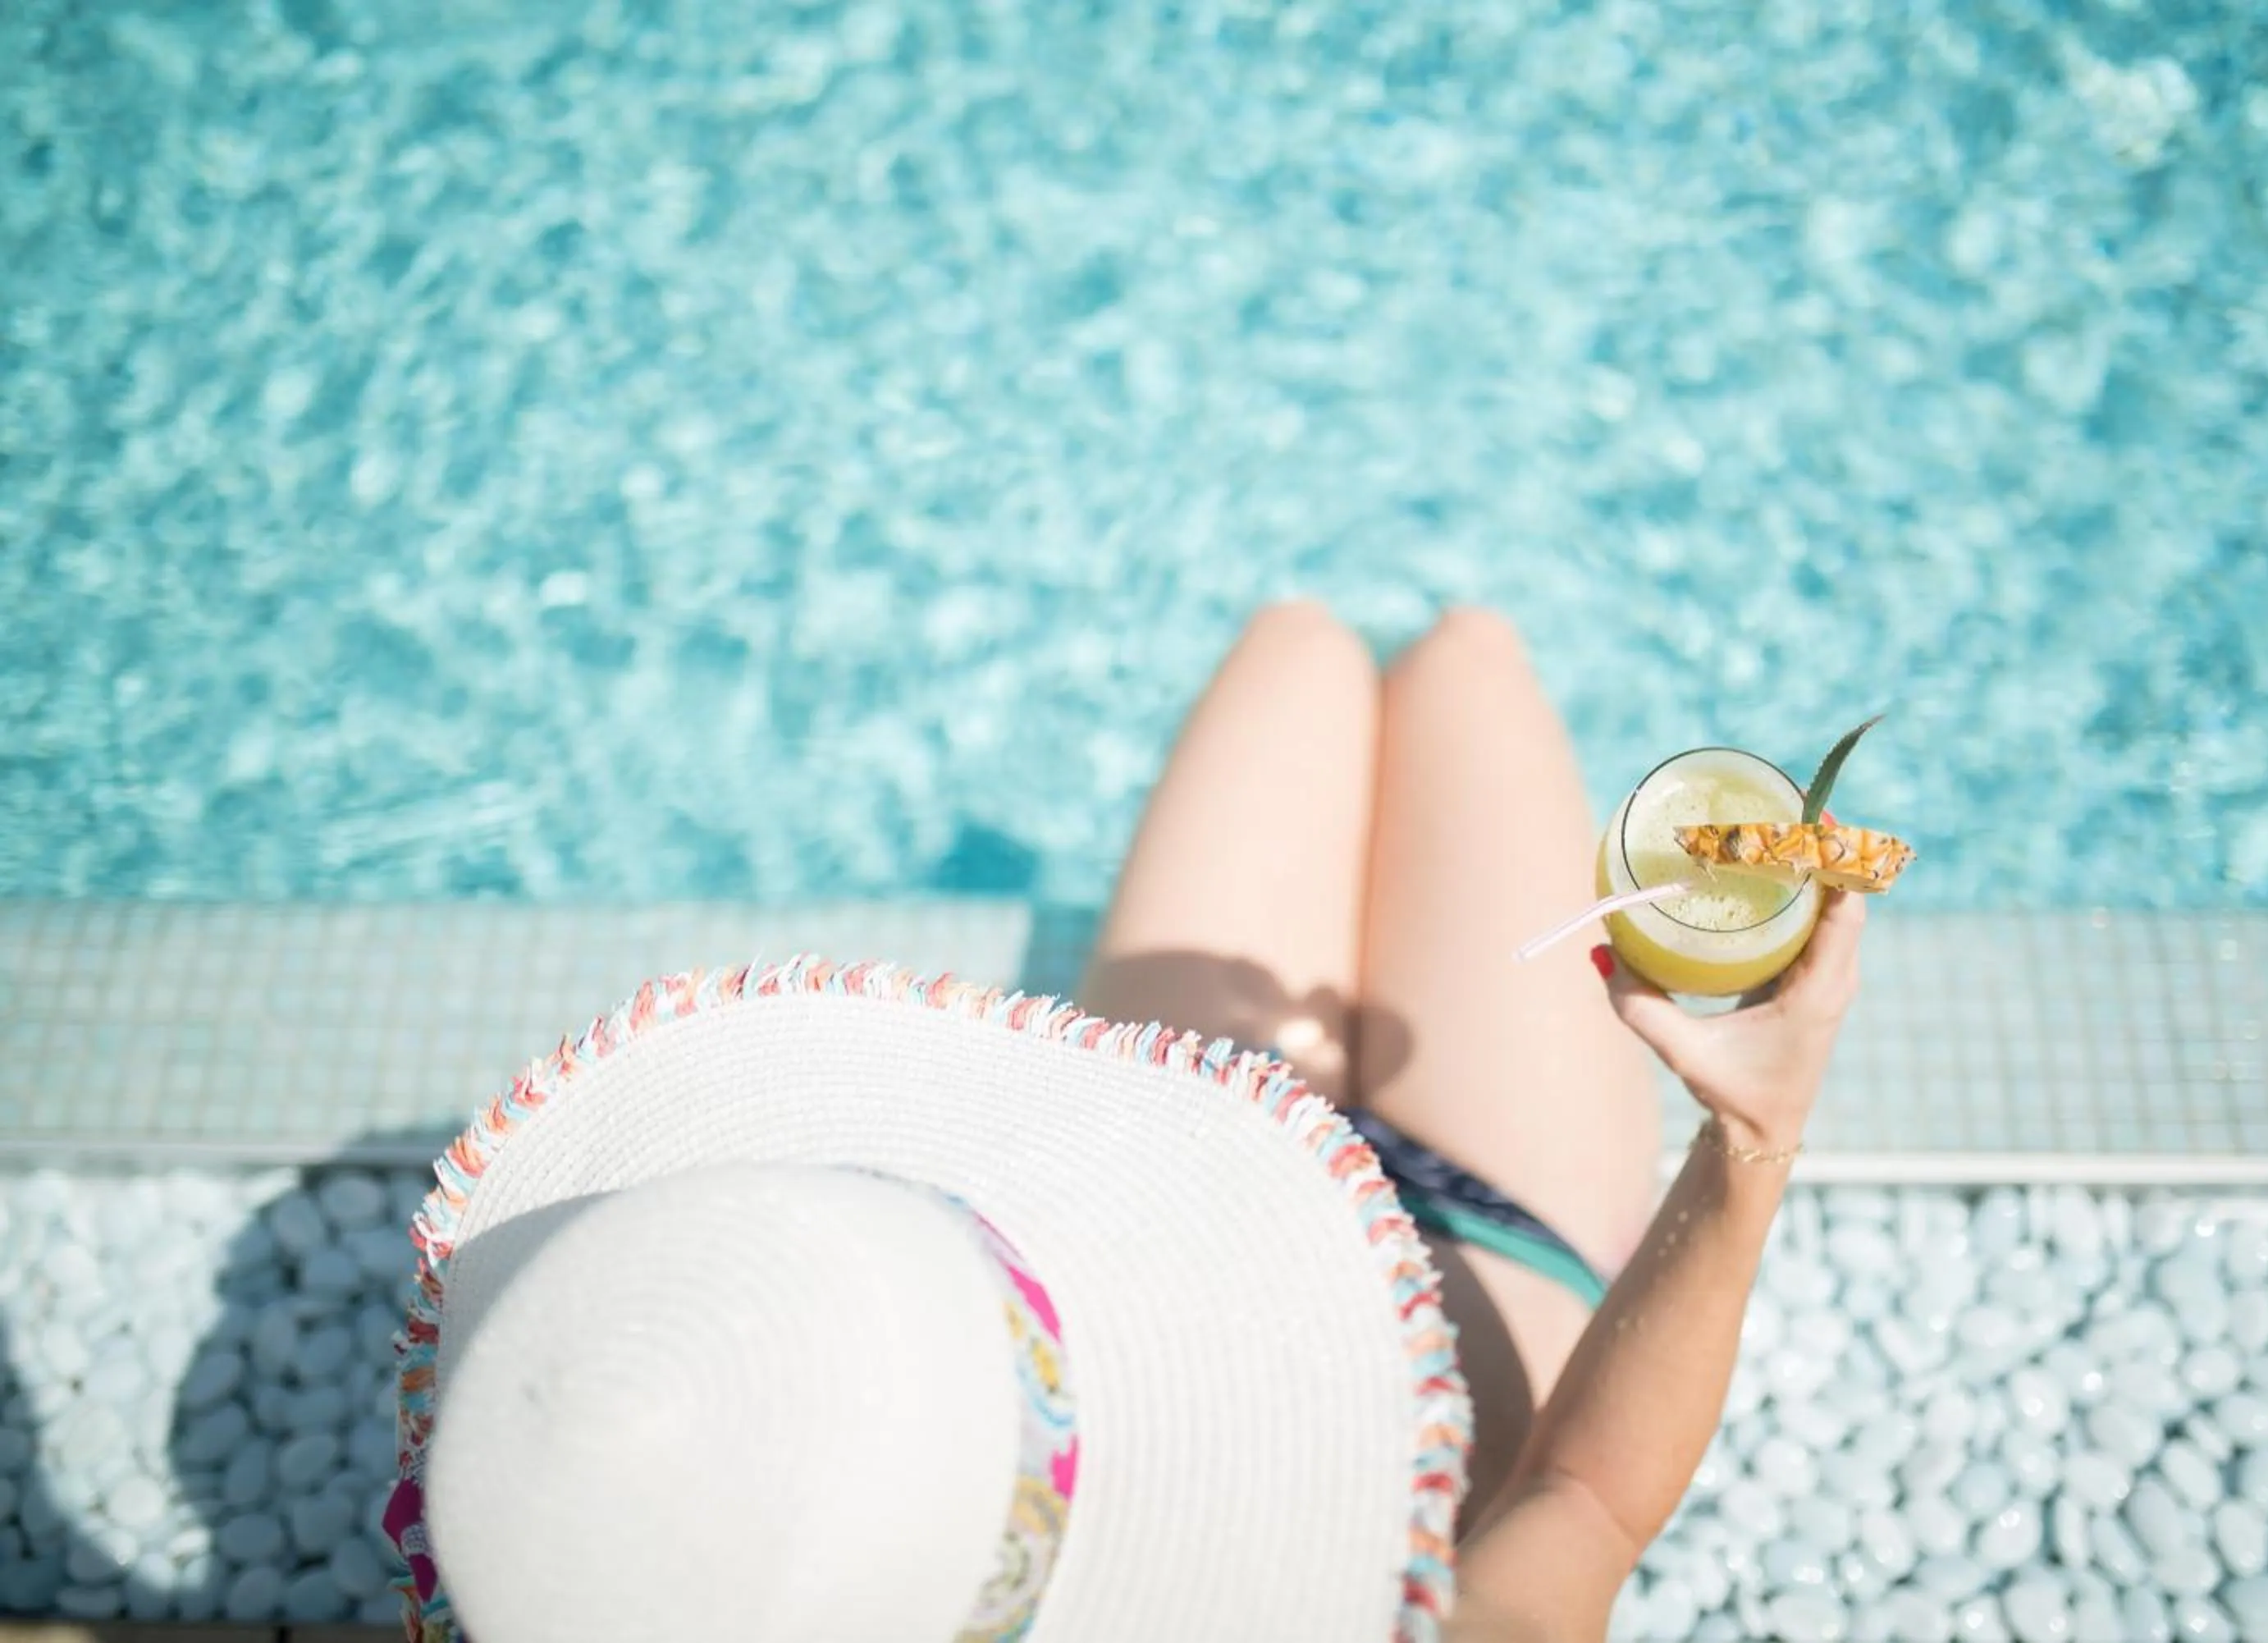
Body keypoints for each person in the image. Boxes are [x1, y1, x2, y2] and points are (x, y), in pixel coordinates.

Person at [381, 602, 1863, 1643]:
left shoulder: (618, 1571)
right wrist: (1755, 1139)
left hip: (1137, 1156)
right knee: (1449, 660)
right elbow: (1582, 1493)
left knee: (1303, 653)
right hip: (1427, 1240)